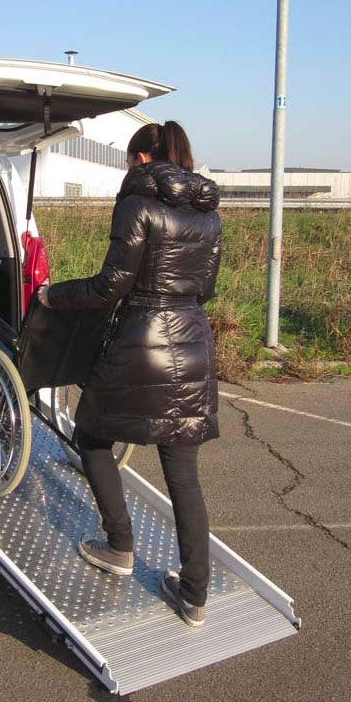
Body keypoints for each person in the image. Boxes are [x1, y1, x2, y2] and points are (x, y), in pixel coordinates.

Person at [37, 120, 222, 627]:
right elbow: (205, 288)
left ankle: (119, 545)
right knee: (183, 475)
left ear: (142, 159)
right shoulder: (209, 216)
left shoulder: (137, 203)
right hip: (194, 342)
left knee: (91, 436)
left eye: (126, 160)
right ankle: (195, 595)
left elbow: (109, 286)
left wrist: (53, 295)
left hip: (142, 342)